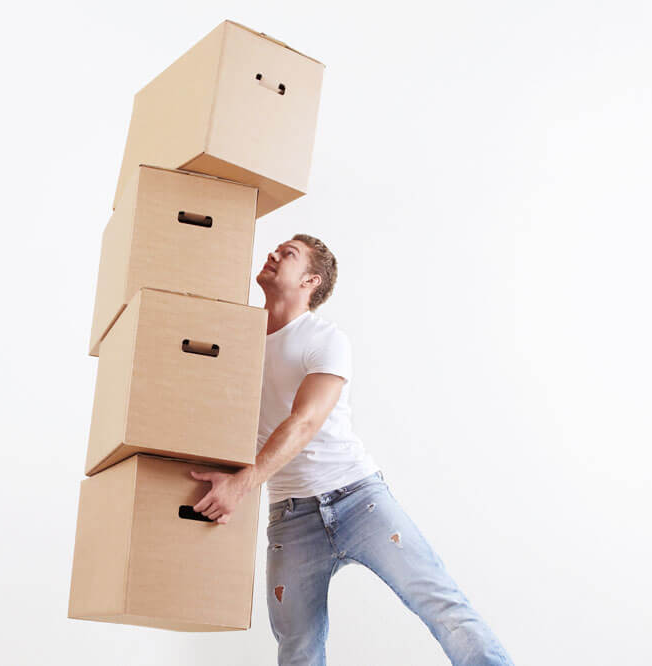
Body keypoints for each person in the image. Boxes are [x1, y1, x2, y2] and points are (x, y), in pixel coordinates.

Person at [189, 234, 515, 666]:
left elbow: (305, 421)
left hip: (358, 501)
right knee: (297, 648)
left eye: (287, 254)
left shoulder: (324, 339)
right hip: (290, 519)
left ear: (310, 280)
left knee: (444, 609)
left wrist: (242, 485)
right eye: (276, 249)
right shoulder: (236, 343)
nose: (272, 254)